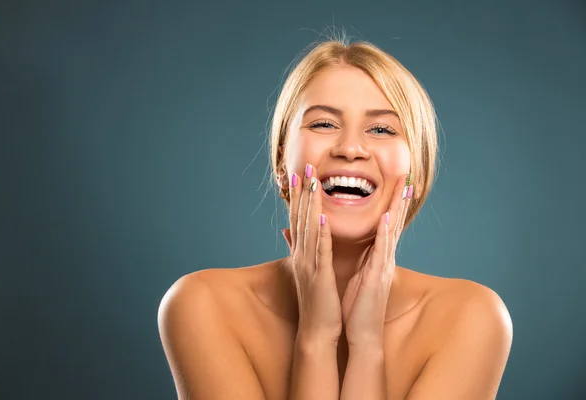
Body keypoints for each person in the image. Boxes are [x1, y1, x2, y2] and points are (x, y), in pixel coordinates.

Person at [157, 36, 513, 400]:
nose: (350, 149)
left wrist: (367, 344)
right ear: (282, 164)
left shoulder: (471, 318)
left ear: (416, 174)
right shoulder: (202, 305)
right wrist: (316, 337)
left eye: (382, 129)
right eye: (323, 124)